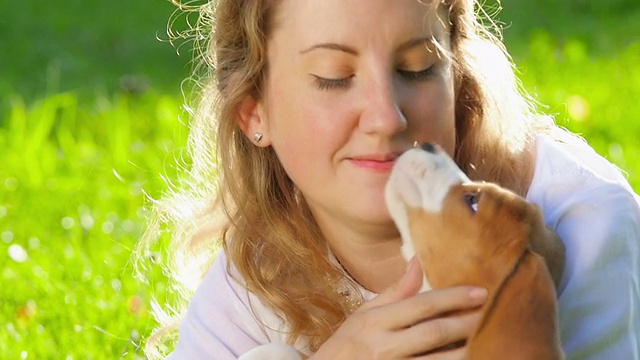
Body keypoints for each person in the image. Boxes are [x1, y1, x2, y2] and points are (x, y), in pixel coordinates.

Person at [136, 0, 640, 358]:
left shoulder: (579, 221)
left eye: (418, 68)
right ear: (254, 113)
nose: (386, 117)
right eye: (334, 76)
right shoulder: (255, 278)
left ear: (457, 80)